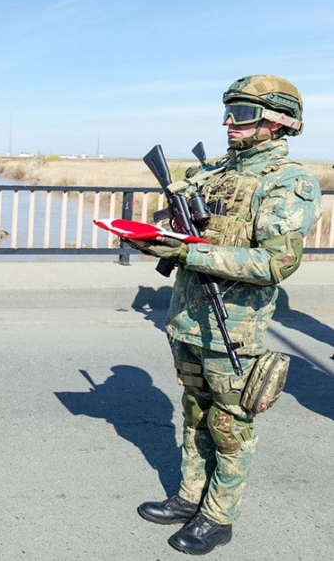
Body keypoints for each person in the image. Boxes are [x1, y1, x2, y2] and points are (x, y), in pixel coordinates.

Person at [127, 75, 322, 555]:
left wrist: (189, 252)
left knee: (229, 424)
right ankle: (190, 496)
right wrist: (160, 235)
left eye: (243, 114)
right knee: (195, 412)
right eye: (228, 112)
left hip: (234, 327)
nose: (229, 123)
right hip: (188, 318)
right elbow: (187, 228)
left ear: (278, 122)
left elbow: (276, 263)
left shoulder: (288, 182)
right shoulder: (214, 173)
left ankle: (218, 516)